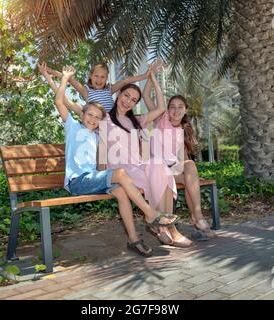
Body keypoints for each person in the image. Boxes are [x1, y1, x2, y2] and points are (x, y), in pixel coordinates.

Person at [38, 62, 177, 257]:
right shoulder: (72, 127)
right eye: (89, 115)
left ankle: (134, 240)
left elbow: (106, 146)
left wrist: (149, 77)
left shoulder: (97, 133)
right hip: (77, 181)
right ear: (82, 114)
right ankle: (151, 214)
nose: (93, 120)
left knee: (120, 191)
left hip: (95, 178)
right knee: (119, 173)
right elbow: (62, 102)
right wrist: (59, 79)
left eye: (97, 117)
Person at [100, 67, 193, 248]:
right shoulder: (104, 119)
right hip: (122, 170)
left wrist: (153, 78)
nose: (128, 102)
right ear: (119, 94)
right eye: (126, 96)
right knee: (160, 176)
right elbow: (101, 147)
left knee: (161, 169)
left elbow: (160, 108)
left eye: (134, 100)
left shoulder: (137, 120)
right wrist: (103, 172)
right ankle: (167, 228)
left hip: (139, 166)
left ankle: (165, 226)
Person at [143, 78, 217, 240]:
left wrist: (193, 176)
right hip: (156, 170)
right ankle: (197, 219)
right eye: (172, 107)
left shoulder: (184, 130)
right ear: (167, 109)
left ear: (186, 110)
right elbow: (146, 95)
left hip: (173, 170)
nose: (176, 111)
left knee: (190, 167)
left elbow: (182, 159)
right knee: (190, 178)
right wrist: (152, 76)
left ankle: (197, 216)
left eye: (180, 107)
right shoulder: (160, 120)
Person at [47, 62, 150, 112]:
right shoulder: (86, 91)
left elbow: (125, 81)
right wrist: (51, 71)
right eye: (96, 76)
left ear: (106, 78)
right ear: (91, 76)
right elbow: (69, 79)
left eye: (103, 77)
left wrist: (145, 76)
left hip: (112, 123)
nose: (99, 80)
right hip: (96, 124)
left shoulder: (109, 89)